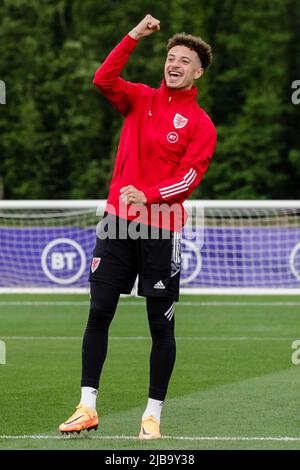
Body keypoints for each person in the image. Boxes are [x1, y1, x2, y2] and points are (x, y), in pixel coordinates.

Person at [59, 14, 217, 440]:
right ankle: (86, 406)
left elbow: (188, 179)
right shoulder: (139, 98)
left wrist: (147, 195)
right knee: (98, 313)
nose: (175, 63)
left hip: (161, 228)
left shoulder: (201, 124)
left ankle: (152, 416)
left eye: (184, 60)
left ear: (197, 71)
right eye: (170, 56)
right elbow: (102, 79)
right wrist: (133, 36)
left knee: (160, 326)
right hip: (116, 225)